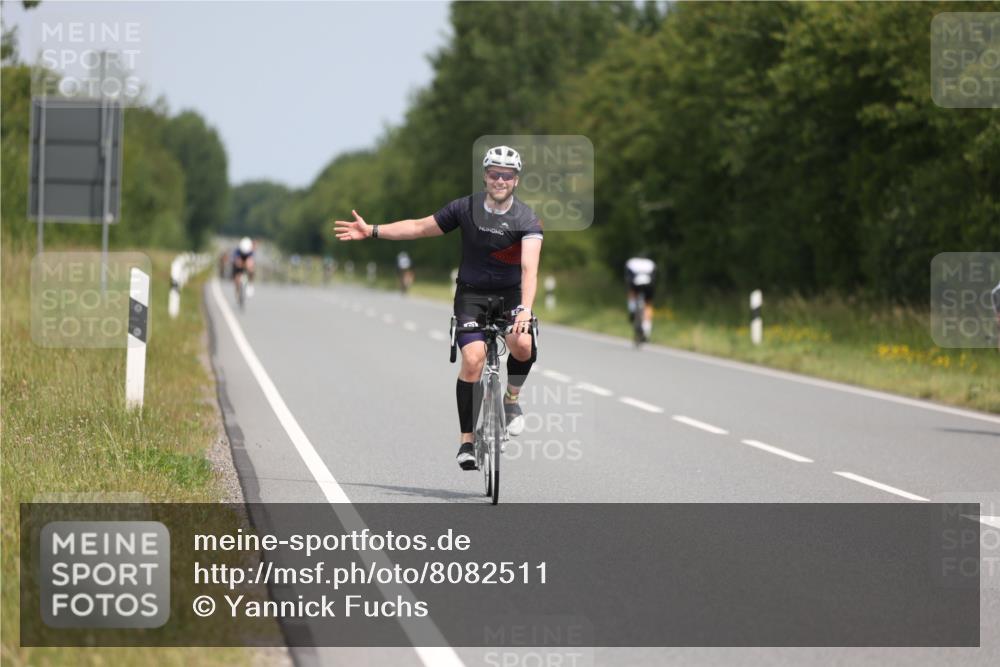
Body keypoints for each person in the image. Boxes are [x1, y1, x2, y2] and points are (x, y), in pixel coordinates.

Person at [334, 145, 542, 470]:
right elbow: (418, 227)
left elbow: (530, 269)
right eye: (494, 173)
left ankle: (511, 400)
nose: (500, 179)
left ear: (516, 180)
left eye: (507, 175)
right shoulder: (465, 207)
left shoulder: (526, 218)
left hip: (510, 299)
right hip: (471, 296)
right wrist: (373, 230)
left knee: (523, 343)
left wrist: (525, 310)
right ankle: (467, 443)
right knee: (473, 360)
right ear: (485, 176)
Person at [625, 255, 657, 342]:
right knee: (648, 304)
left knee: (632, 293)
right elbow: (654, 277)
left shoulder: (631, 262)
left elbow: (628, 277)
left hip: (635, 283)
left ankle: (632, 311)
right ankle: (647, 331)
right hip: (648, 285)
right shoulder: (650, 263)